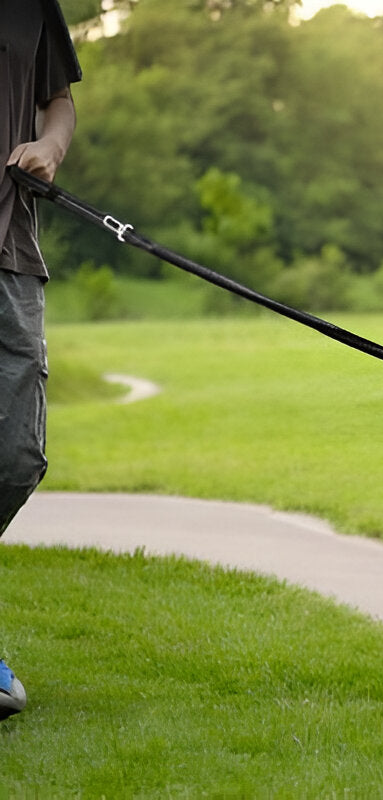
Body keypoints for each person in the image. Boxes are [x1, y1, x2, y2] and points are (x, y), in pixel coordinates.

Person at [0, 0, 82, 720]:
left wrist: (50, 148)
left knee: (19, 456)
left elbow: (58, 102)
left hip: (10, 251)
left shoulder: (31, 6)